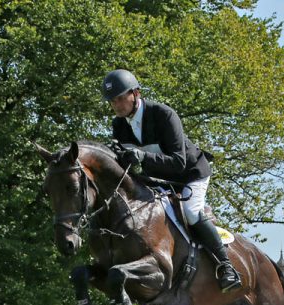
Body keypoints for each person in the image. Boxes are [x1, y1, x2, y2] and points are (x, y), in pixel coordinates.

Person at [101, 68, 241, 293]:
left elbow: (178, 162)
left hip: (190, 175)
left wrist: (142, 156)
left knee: (191, 212)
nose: (116, 105)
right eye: (112, 101)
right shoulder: (119, 125)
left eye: (120, 98)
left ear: (135, 93)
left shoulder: (163, 115)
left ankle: (226, 267)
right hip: (158, 180)